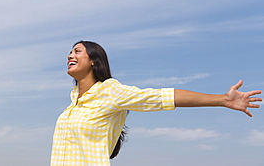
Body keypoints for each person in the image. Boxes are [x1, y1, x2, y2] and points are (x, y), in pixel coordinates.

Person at [50, 41, 262, 166]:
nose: (70, 55)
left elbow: (161, 97)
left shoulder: (110, 91)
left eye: (77, 51)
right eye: (70, 52)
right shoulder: (72, 105)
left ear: (94, 60)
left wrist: (222, 100)